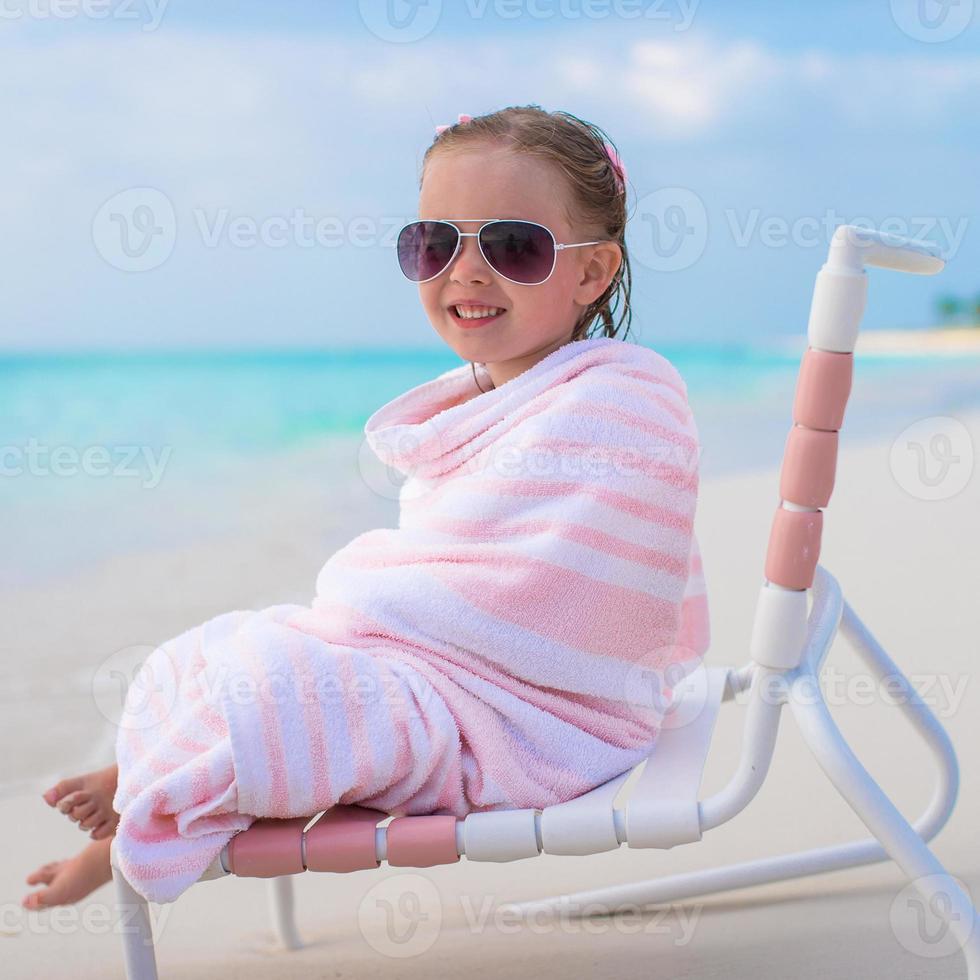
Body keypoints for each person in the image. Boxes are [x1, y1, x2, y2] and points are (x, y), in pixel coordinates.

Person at [24, 104, 709, 909]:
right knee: (225, 647)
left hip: (530, 718)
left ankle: (143, 826)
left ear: (592, 273)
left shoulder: (623, 405)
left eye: (513, 246)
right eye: (434, 244)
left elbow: (559, 595)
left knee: (287, 685)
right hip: (450, 672)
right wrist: (374, 618)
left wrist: (377, 609)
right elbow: (466, 566)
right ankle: (157, 772)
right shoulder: (498, 404)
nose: (466, 272)